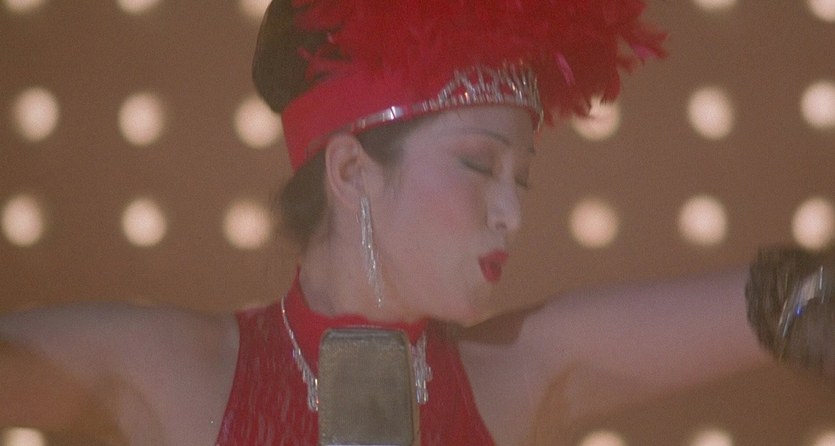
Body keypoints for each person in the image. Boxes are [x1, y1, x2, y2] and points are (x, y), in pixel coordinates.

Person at [1, 0, 832, 445]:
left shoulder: (518, 369)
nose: (511, 210)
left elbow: (796, 301)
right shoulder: (170, 368)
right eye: (477, 165)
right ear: (350, 171)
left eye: (520, 177)